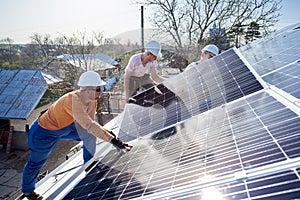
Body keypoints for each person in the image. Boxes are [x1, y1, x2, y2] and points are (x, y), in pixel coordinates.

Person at [21, 71, 132, 200]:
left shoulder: (92, 100)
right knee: (36, 163)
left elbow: (90, 126)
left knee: (89, 135)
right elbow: (89, 125)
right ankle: (28, 191)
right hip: (44, 132)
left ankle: (89, 164)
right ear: (87, 90)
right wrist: (114, 141)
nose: (100, 92)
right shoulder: (72, 101)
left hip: (66, 126)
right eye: (98, 89)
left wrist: (111, 138)